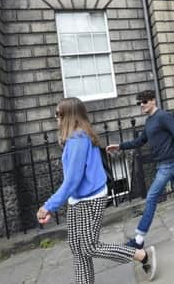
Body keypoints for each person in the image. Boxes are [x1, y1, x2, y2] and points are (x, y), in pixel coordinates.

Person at [37, 97, 157, 283]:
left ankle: (140, 255)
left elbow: (72, 181)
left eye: (58, 114)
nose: (56, 118)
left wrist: (49, 206)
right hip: (78, 200)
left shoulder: (78, 139)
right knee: (78, 248)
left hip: (90, 199)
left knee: (89, 247)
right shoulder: (75, 137)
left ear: (68, 115)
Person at [106, 90, 174, 250]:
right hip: (166, 164)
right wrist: (119, 146)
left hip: (168, 163)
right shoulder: (150, 121)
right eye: (139, 103)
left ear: (153, 101)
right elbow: (139, 141)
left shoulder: (163, 116)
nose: (141, 105)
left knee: (151, 197)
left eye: (144, 101)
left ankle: (139, 239)